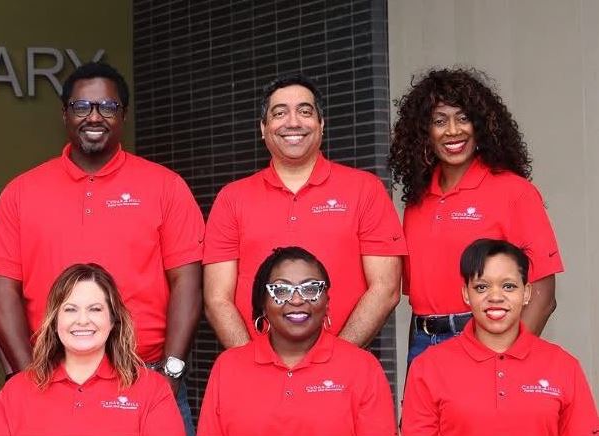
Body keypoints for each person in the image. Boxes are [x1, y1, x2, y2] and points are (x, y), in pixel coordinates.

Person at [0, 62, 203, 433]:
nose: (94, 117)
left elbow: (188, 284)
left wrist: (171, 372)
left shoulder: (166, 187)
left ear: (124, 115)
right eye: (82, 106)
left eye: (108, 107)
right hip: (49, 379)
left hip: (147, 380)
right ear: (65, 114)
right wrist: (27, 375)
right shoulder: (21, 192)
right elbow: (1, 290)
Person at [203, 74, 406, 350]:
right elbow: (217, 299)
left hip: (345, 364)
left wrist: (335, 360)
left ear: (321, 124)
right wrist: (251, 364)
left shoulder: (365, 189)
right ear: (263, 128)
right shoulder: (232, 198)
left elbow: (386, 288)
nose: (293, 122)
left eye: (305, 111)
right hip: (256, 364)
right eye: (279, 113)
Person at [389, 68, 563, 363]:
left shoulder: (515, 192)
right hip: (423, 345)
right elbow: (422, 306)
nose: (453, 130)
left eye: (463, 118)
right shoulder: (418, 203)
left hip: (488, 339)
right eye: (439, 121)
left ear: (480, 125)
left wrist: (504, 362)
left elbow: (543, 298)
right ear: (424, 133)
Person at [402, 239, 598, 435]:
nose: (495, 297)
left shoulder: (564, 366)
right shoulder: (428, 368)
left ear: (526, 293)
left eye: (508, 286)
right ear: (466, 294)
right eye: (481, 287)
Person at [198, 247, 396, 435]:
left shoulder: (363, 367)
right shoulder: (228, 366)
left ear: (327, 302)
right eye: (281, 291)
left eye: (310, 289)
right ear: (263, 304)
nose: (297, 300)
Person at [0, 263, 183, 436]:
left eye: (95, 309)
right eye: (70, 309)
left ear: (113, 320)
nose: (82, 320)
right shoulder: (15, 392)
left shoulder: (152, 389)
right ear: (55, 322)